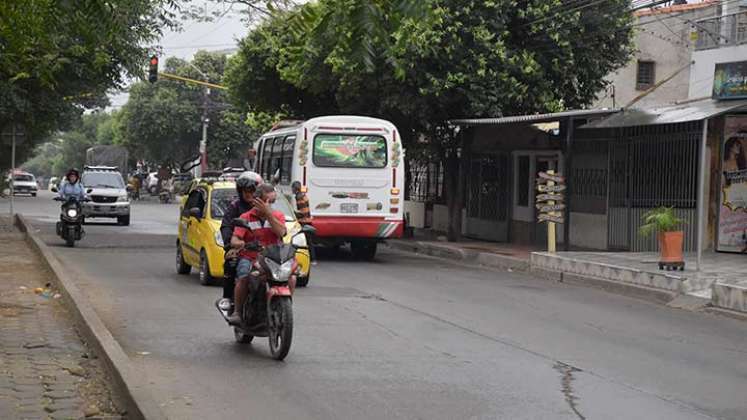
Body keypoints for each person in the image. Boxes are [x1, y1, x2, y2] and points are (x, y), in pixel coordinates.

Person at [227, 184, 287, 325]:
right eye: (267, 201)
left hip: (273, 258)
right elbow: (235, 239)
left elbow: (281, 233)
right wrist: (240, 244)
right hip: (250, 257)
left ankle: (284, 309)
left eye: (272, 202)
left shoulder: (277, 216)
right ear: (257, 201)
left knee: (291, 278)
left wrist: (268, 214)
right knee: (243, 276)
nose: (270, 205)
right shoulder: (245, 217)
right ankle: (237, 312)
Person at [217, 171, 263, 314]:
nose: (248, 194)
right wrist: (230, 245)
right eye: (245, 191)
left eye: (251, 191)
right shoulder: (235, 207)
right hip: (242, 247)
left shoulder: (264, 207)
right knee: (231, 262)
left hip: (263, 249)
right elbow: (226, 226)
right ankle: (227, 298)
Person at [291, 181, 315, 264]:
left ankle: (310, 259)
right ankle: (312, 259)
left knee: (303, 241)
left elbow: (303, 212)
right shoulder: (303, 195)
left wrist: (293, 214)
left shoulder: (299, 197)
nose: (292, 190)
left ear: (295, 188)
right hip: (308, 220)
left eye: (292, 188)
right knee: (308, 241)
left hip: (303, 222)